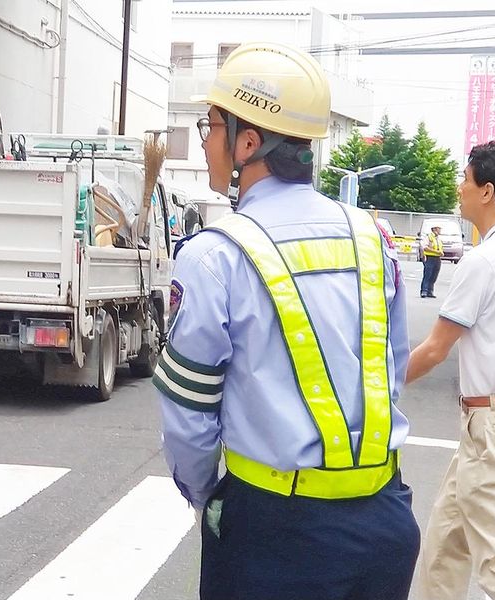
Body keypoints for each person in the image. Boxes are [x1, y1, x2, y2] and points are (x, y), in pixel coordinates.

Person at [152, 42, 419, 600]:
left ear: (249, 142)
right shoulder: (374, 240)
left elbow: (189, 416)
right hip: (384, 521)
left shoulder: (215, 254)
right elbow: (389, 371)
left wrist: (210, 500)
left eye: (212, 125)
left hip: (274, 530)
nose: (205, 140)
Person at [407, 140, 495, 600]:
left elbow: (434, 349)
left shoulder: (483, 262)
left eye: (464, 179)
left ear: (486, 191)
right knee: (445, 544)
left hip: (490, 427)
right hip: (481, 427)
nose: (458, 188)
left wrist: (373, 387)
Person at [420, 224, 444, 298]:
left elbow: (439, 248)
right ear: (434, 229)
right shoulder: (428, 237)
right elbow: (425, 247)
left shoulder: (438, 239)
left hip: (437, 259)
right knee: (428, 275)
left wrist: (441, 253)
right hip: (430, 258)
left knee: (434, 275)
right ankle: (424, 291)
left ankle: (430, 291)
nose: (440, 230)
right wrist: (436, 252)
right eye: (439, 229)